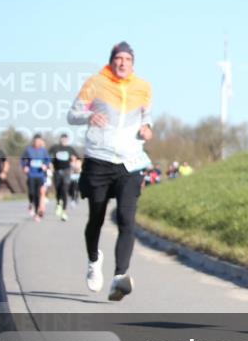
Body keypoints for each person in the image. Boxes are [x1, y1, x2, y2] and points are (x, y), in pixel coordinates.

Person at [68, 42, 153, 301]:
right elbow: (73, 114)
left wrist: (147, 129)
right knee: (96, 217)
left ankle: (119, 277)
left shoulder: (143, 87)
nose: (123, 62)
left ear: (133, 63)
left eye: (127, 58)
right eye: (119, 58)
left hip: (130, 163)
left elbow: (147, 118)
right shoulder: (95, 83)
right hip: (99, 159)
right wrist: (88, 117)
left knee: (127, 220)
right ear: (111, 61)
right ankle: (94, 260)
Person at [48, 133, 80, 221]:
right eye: (63, 139)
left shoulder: (70, 149)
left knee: (65, 189)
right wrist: (49, 165)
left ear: (68, 140)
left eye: (66, 139)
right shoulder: (55, 148)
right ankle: (58, 203)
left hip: (67, 170)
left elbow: (77, 159)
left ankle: (64, 212)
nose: (64, 141)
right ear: (60, 139)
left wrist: (76, 165)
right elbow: (48, 157)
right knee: (58, 189)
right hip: (57, 171)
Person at [21, 134, 52, 221]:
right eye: (36, 141)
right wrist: (24, 167)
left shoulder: (43, 150)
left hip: (40, 175)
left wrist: (45, 165)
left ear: (41, 142)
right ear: (33, 142)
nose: (37, 143)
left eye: (39, 141)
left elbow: (48, 160)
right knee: (31, 192)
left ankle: (37, 213)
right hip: (31, 174)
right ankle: (31, 203)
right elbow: (22, 159)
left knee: (38, 194)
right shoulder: (28, 150)